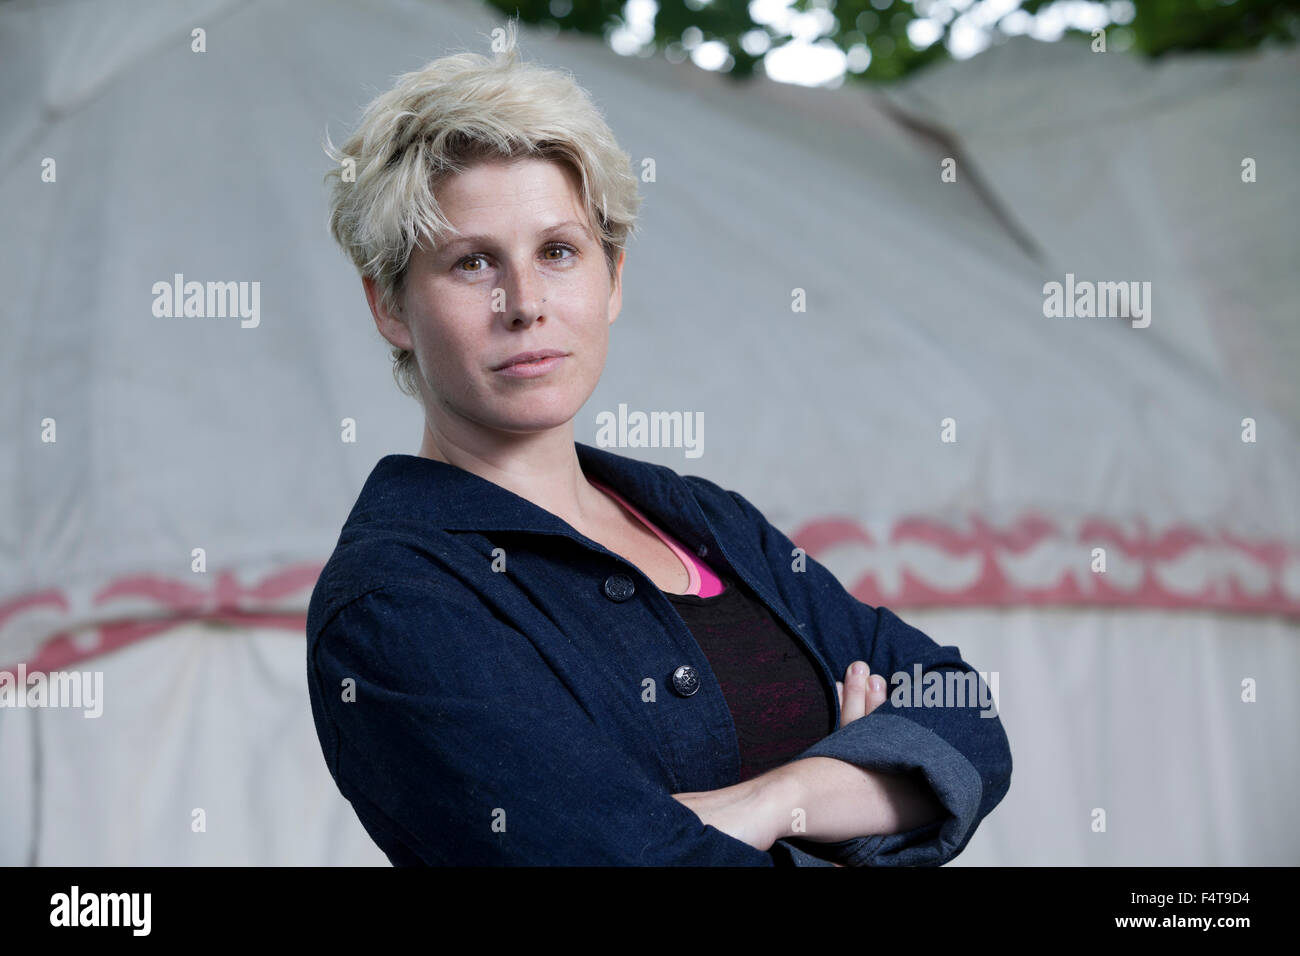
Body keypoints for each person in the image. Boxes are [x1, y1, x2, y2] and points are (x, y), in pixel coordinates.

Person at [306, 18, 1011, 866]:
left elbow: (961, 705)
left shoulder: (706, 520)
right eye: (471, 263)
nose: (525, 301)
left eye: (559, 251)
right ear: (389, 306)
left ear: (613, 279)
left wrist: (776, 800)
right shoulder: (394, 605)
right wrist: (854, 788)